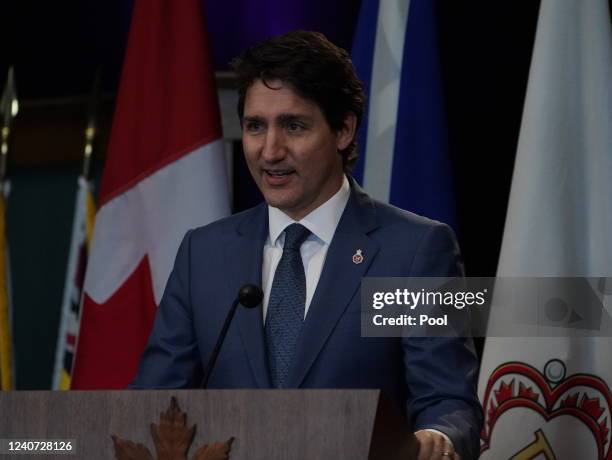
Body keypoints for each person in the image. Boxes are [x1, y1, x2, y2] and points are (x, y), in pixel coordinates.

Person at [131, 31, 482, 460]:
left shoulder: (412, 251)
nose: (270, 151)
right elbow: (151, 404)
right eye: (255, 127)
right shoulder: (204, 255)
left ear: (343, 130)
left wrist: (438, 438)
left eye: (293, 125)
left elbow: (448, 400)